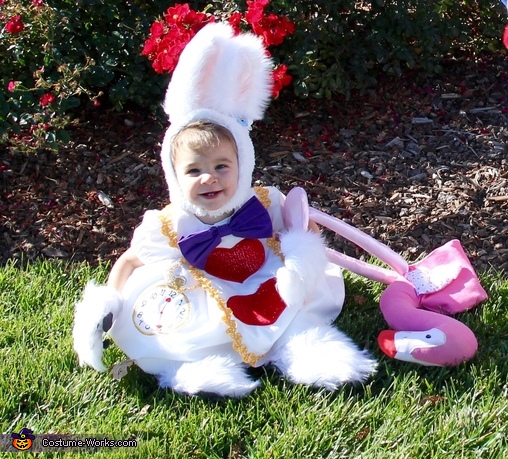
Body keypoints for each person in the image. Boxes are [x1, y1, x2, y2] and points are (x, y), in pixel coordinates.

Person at [73, 22, 377, 397]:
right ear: (173, 173)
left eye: (221, 167)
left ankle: (308, 350)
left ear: (243, 164)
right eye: (194, 170)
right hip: (201, 292)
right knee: (182, 334)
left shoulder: (264, 202)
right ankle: (196, 371)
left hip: (263, 278)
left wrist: (300, 257)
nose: (209, 179)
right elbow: (131, 262)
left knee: (294, 311)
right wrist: (107, 300)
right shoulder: (168, 224)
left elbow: (303, 230)